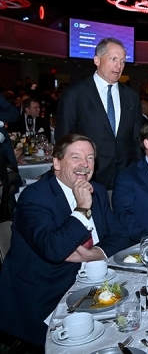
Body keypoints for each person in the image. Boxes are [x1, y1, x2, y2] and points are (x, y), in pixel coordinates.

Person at [0, 134, 129, 346]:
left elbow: (121, 236)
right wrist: (82, 209)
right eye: (76, 157)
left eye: (90, 158)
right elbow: (54, 250)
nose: (85, 165)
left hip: (97, 288)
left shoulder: (97, 190)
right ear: (57, 162)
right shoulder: (34, 197)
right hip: (49, 296)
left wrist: (93, 254)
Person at [55, 37, 144, 189]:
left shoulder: (131, 96)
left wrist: (137, 170)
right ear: (97, 60)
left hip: (125, 178)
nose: (119, 66)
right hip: (88, 177)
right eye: (113, 59)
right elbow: (64, 138)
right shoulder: (75, 94)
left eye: (122, 61)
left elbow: (136, 138)